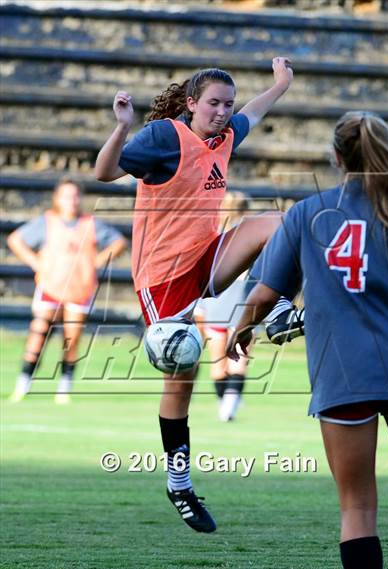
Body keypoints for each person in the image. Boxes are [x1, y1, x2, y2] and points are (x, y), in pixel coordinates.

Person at [95, 58, 303, 533]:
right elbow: (104, 172)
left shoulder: (225, 135)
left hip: (206, 258)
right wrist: (121, 127)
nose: (224, 112)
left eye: (227, 104)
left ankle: (280, 309)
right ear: (191, 103)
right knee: (181, 383)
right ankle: (179, 483)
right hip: (163, 278)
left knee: (280, 224)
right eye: (214, 103)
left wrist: (281, 86)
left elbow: (255, 110)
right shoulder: (165, 137)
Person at [227, 111, 388, 568]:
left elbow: (264, 294)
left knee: (357, 509)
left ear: (336, 158)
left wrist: (241, 328)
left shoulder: (306, 213)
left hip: (343, 373)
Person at [8, 178, 127, 404]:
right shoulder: (47, 222)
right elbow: (16, 240)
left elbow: (118, 242)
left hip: (79, 288)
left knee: (71, 340)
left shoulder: (90, 224)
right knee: (38, 332)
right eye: (66, 196)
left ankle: (64, 389)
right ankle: (23, 385)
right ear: (57, 198)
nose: (71, 201)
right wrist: (35, 262)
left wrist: (99, 260)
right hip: (51, 286)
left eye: (75, 196)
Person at [194, 192, 255, 422]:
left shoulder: (213, 236)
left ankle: (224, 405)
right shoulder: (250, 235)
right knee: (239, 359)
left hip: (215, 304)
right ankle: (229, 406)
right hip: (243, 304)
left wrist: (199, 307)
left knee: (218, 365)